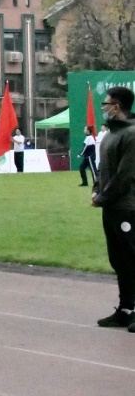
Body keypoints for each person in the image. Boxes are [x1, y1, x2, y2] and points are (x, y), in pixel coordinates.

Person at [92, 86, 135, 330]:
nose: (104, 108)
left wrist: (102, 197)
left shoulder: (131, 134)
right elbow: (102, 169)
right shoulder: (110, 135)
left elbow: (125, 175)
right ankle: (126, 309)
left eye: (106, 103)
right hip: (112, 207)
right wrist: (96, 188)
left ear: (116, 106)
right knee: (119, 260)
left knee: (131, 257)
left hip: (128, 207)